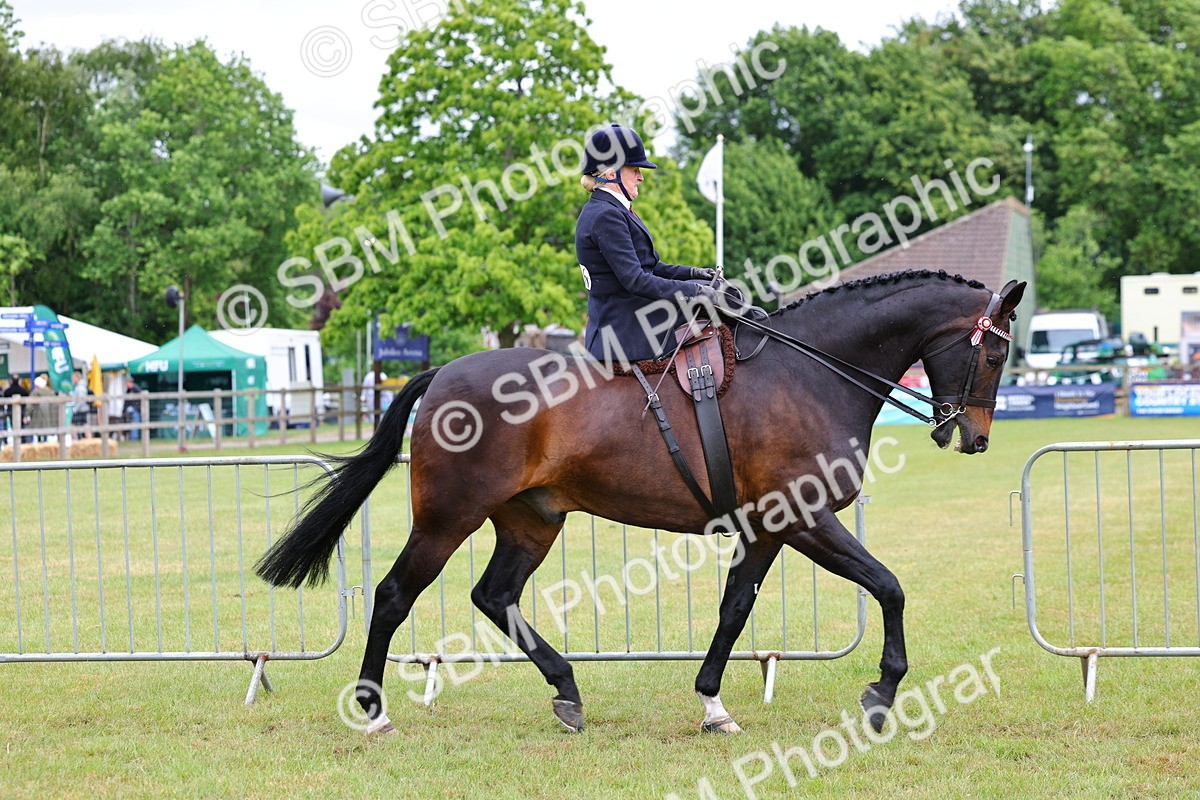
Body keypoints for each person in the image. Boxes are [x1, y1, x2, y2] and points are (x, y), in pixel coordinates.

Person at [575, 124, 719, 362]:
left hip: (632, 313)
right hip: (623, 327)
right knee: (712, 308)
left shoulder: (613, 209)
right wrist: (694, 291)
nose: (641, 176)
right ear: (612, 174)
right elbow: (636, 280)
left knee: (720, 291)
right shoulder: (605, 215)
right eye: (634, 170)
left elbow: (652, 267)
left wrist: (695, 274)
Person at [28, 375, 57, 442]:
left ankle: (40, 445)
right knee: (45, 433)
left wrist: (27, 413)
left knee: (38, 434)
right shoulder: (51, 392)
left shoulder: (35, 392)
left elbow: (30, 405)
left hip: (37, 416)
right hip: (48, 416)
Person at [2, 375, 30, 442]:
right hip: (21, 412)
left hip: (11, 412)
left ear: (11, 381)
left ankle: (15, 442)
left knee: (13, 427)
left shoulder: (7, 391)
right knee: (21, 428)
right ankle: (23, 442)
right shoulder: (23, 390)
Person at [69, 369, 90, 440]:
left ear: (77, 378)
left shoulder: (80, 387)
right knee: (84, 424)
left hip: (80, 409)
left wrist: (75, 409)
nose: (72, 380)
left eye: (73, 378)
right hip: (82, 409)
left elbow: (81, 400)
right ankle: (89, 439)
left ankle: (75, 440)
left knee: (72, 425)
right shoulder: (80, 386)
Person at [123, 375, 144, 441]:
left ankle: (134, 438)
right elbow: (126, 401)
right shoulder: (128, 390)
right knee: (131, 424)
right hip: (130, 410)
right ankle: (131, 438)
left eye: (127, 383)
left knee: (135, 423)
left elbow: (141, 397)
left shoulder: (136, 388)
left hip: (136, 409)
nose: (126, 384)